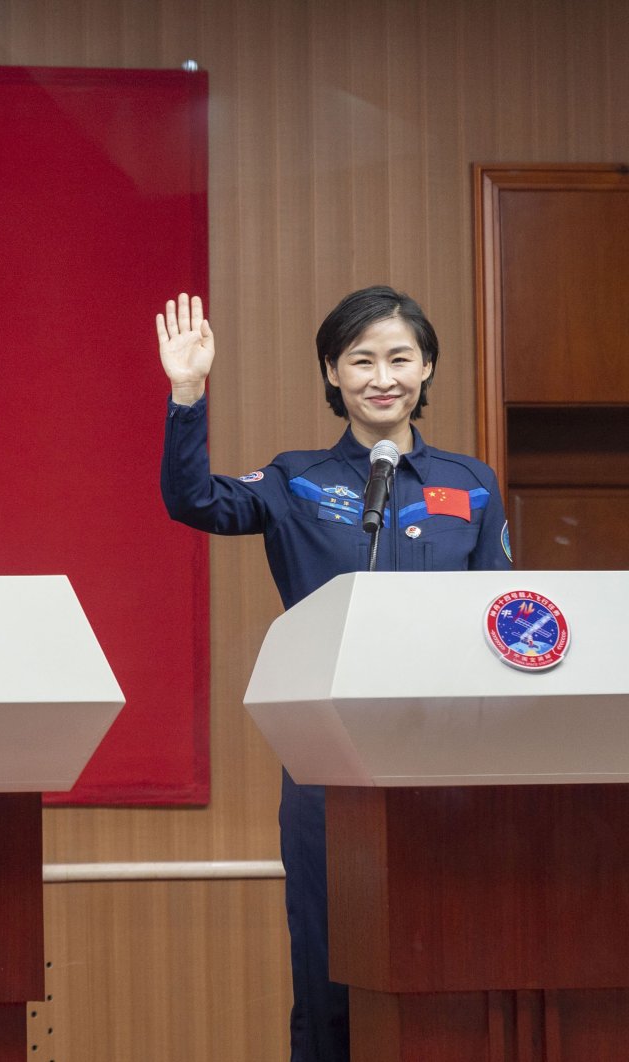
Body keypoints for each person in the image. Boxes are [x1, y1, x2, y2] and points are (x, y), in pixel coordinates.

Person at [157, 286, 509, 1061]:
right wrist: (187, 394)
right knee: (330, 961)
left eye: (399, 357)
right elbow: (193, 502)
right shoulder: (297, 479)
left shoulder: (472, 483)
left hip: (446, 758)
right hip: (329, 759)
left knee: (448, 948)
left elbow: (501, 613)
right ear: (333, 371)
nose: (382, 376)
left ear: (427, 367)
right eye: (361, 359)